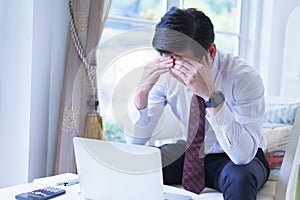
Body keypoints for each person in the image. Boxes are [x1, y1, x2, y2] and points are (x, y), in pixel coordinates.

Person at [125, 7, 270, 200]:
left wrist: (211, 95)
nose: (175, 70)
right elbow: (136, 142)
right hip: (192, 154)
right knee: (134, 165)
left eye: (183, 62)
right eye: (167, 59)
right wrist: (142, 92)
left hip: (238, 157)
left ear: (210, 51)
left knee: (240, 178)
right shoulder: (165, 71)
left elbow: (242, 155)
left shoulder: (244, 77)